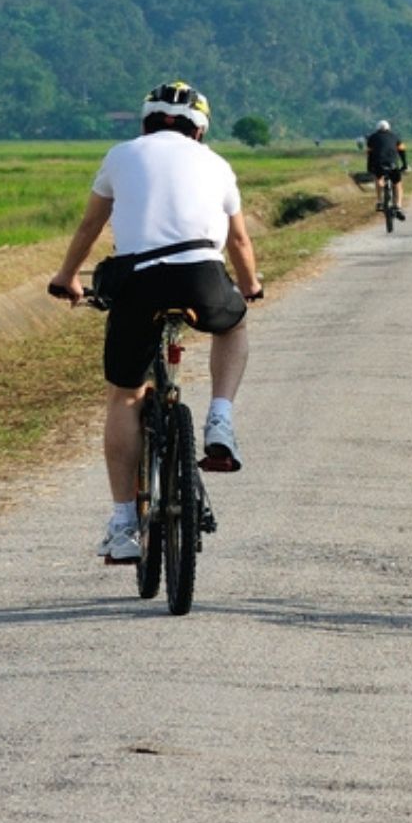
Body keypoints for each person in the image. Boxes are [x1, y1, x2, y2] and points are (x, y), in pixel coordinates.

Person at [49, 81, 264, 566]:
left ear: (147, 120)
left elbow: (90, 227)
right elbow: (240, 242)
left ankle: (124, 524)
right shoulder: (217, 165)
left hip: (139, 283)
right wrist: (249, 287)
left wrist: (66, 278)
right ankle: (221, 419)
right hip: (203, 279)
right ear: (200, 129)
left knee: (125, 394)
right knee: (233, 326)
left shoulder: (120, 155)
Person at [364, 118, 409, 220]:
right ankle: (398, 206)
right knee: (397, 184)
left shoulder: (372, 138)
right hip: (393, 165)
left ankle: (379, 201)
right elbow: (402, 151)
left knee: (378, 179)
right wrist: (405, 164)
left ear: (377, 129)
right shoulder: (395, 137)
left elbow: (370, 154)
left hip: (379, 165)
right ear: (389, 128)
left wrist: (369, 168)